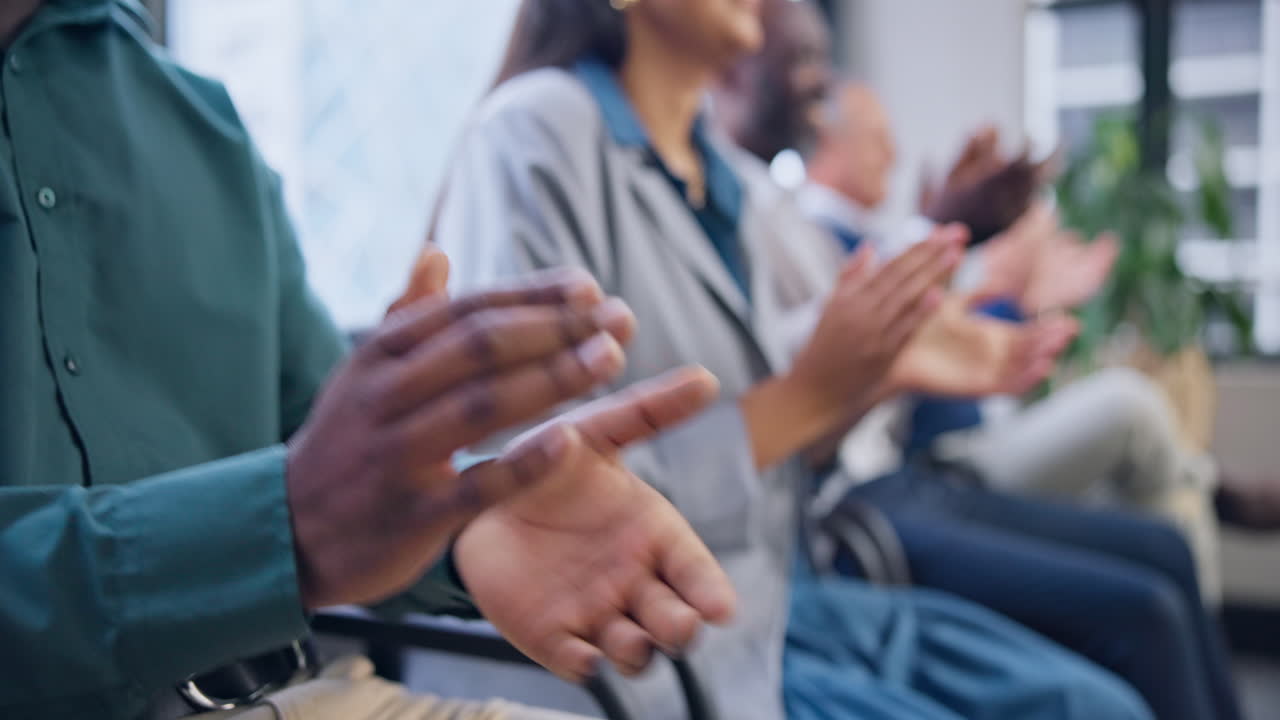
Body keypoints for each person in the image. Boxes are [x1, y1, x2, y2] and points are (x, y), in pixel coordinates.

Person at [0, 1, 741, 718]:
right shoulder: (539, 126)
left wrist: (469, 519)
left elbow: (336, 477)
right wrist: (283, 527)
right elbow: (301, 507)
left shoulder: (204, 125)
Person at [428, 1, 1153, 720]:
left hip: (791, 599)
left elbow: (788, 450)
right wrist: (814, 393)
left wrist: (874, 373)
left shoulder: (722, 176)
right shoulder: (534, 131)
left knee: (1102, 705)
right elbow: (546, 489)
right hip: (685, 645)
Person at [715, 4, 1244, 719]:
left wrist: (967, 269)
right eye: (878, 143)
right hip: (873, 499)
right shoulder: (793, 224)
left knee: (1160, 553)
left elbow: (853, 374)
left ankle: (1206, 490)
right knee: (1143, 589)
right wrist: (956, 263)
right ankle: (1211, 489)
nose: (893, 158)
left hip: (876, 489)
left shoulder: (801, 228)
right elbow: (811, 398)